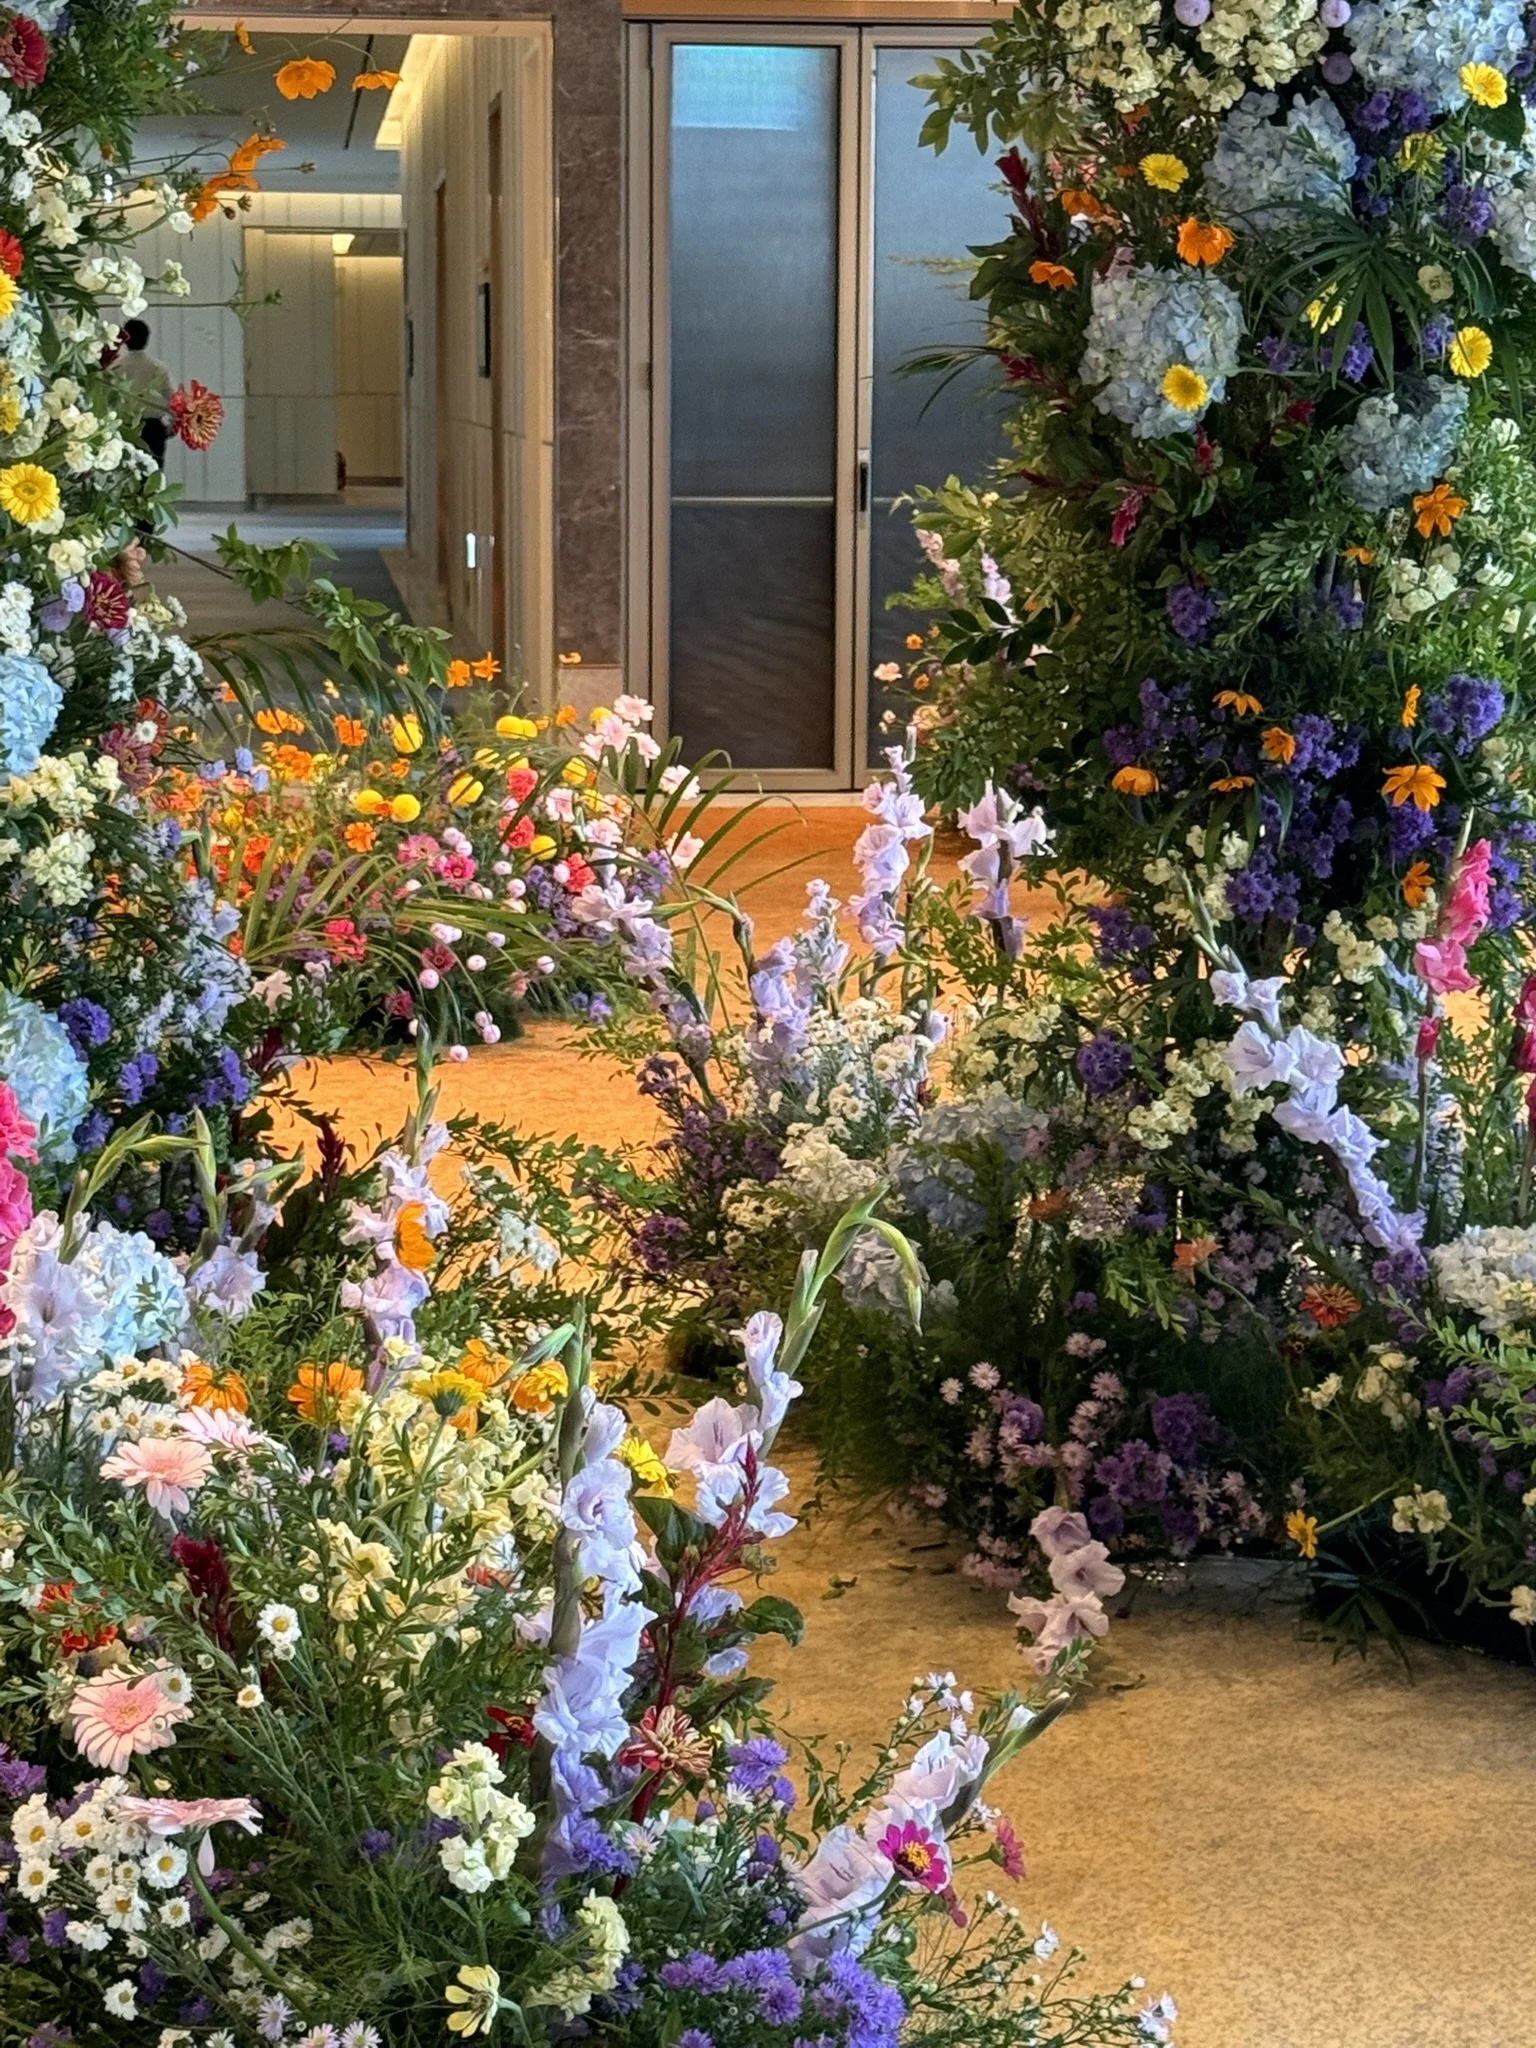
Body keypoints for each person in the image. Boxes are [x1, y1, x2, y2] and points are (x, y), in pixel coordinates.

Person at [114, 318, 172, 468]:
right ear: (147, 339)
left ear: (124, 339)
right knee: (154, 473)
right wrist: (173, 423)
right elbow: (171, 398)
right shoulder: (158, 367)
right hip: (154, 428)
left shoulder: (115, 367)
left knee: (127, 472)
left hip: (126, 427)